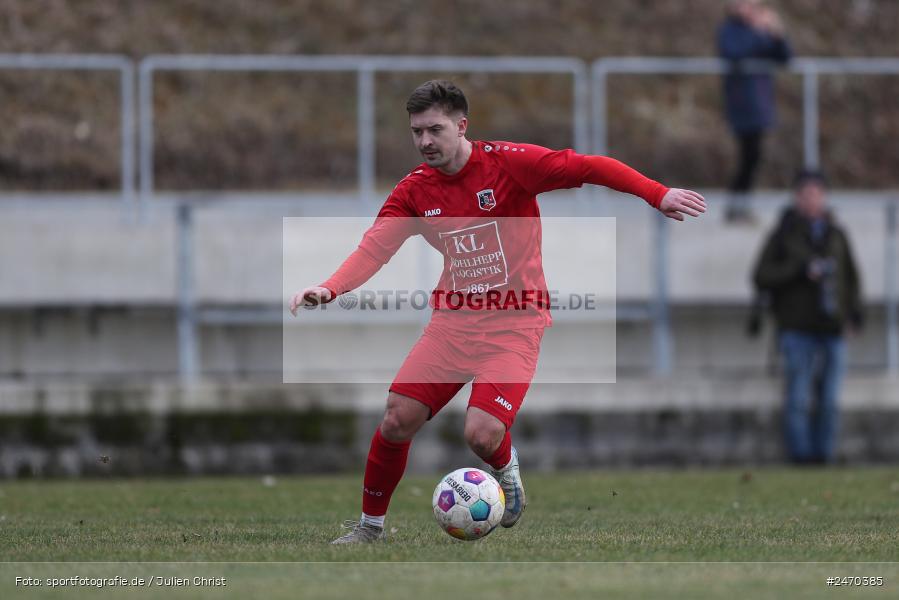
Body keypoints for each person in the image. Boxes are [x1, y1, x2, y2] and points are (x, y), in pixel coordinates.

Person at [289, 80, 706, 543]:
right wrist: (330, 288)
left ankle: (505, 468)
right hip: (453, 323)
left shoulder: (510, 164)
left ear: (462, 126)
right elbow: (374, 249)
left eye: (435, 129)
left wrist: (657, 193)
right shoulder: (413, 192)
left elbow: (590, 167)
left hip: (515, 322)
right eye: (416, 132)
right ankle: (370, 529)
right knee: (397, 418)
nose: (425, 141)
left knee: (481, 435)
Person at [751, 169, 863, 464]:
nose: (812, 201)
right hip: (796, 327)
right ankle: (801, 458)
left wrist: (854, 315)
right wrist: (800, 272)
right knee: (798, 398)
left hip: (832, 326)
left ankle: (824, 456)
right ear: (797, 198)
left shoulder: (836, 234)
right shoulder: (783, 234)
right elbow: (762, 276)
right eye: (806, 194)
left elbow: (850, 277)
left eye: (817, 194)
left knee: (829, 401)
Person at [718, 0, 792, 222]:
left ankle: (739, 205)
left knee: (753, 157)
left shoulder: (756, 31)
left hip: (760, 104)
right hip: (741, 104)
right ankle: (736, 206)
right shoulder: (730, 30)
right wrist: (759, 33)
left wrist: (777, 33)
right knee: (748, 156)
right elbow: (735, 53)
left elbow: (784, 57)